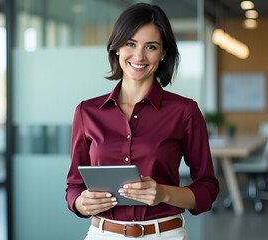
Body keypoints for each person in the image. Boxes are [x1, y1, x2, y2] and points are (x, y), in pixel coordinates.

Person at [66, 3, 219, 239]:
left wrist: (163, 193)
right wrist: (79, 202)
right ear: (116, 47)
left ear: (164, 53)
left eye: (151, 47)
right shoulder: (87, 112)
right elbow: (74, 185)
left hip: (165, 235)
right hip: (103, 234)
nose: (139, 56)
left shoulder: (185, 111)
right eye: (130, 44)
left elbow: (208, 187)